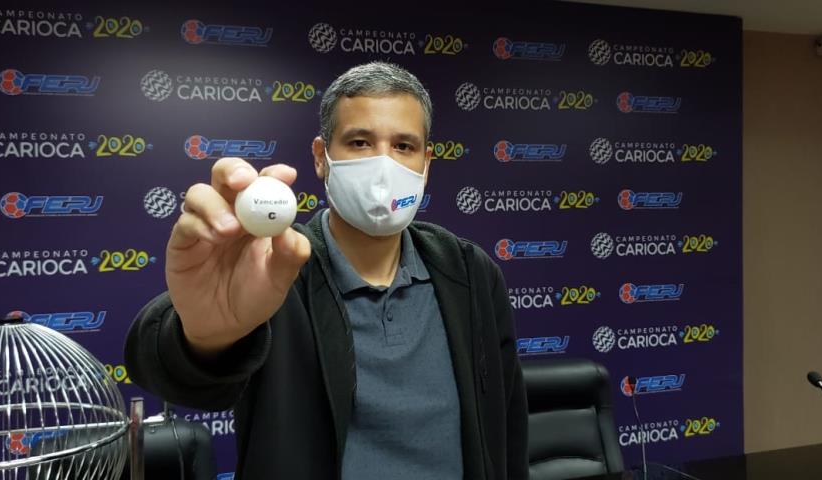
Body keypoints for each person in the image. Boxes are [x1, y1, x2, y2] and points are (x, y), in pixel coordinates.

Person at [124, 61, 527, 479]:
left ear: (427, 163)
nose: (383, 166)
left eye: (403, 146)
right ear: (321, 157)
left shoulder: (468, 271)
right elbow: (167, 369)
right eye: (359, 142)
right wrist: (206, 338)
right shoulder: (272, 269)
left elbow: (508, 425)